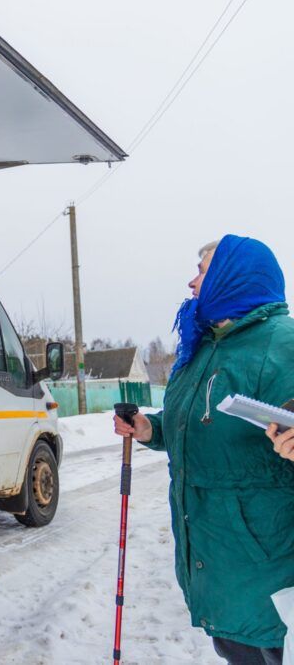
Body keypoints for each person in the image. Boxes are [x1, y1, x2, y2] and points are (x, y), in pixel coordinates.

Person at [113, 235, 294, 665]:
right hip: (219, 565)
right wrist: (149, 428)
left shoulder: (283, 345)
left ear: (234, 277)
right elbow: (198, 423)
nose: (191, 282)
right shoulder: (202, 347)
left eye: (202, 271)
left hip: (270, 571)